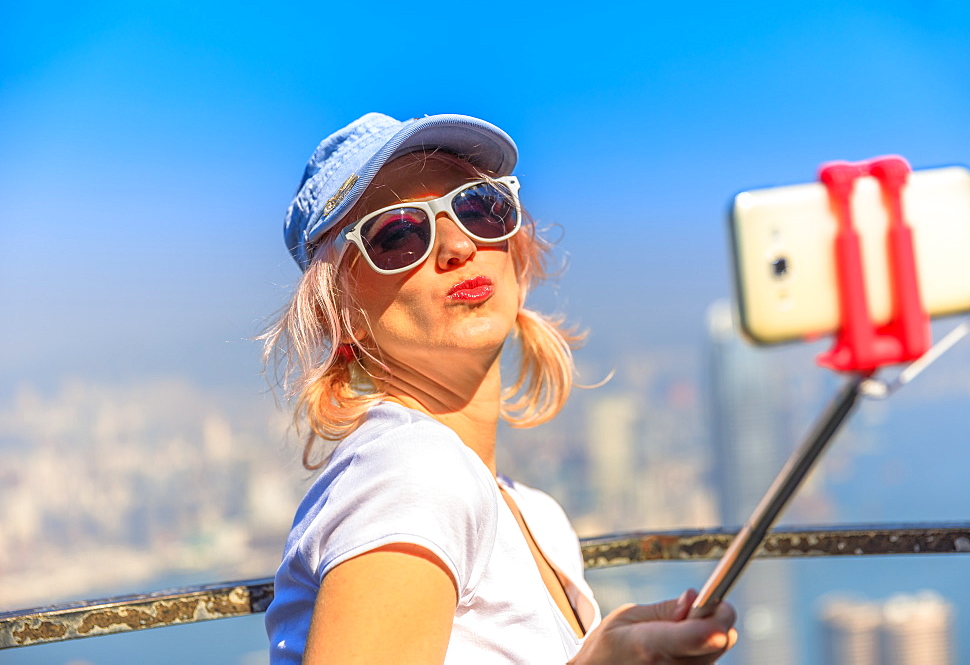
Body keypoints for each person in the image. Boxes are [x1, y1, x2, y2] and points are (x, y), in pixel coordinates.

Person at [262, 112, 737, 664]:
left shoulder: (536, 515)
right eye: (397, 233)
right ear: (340, 313)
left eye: (479, 207)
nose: (459, 244)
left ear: (516, 249)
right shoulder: (412, 471)